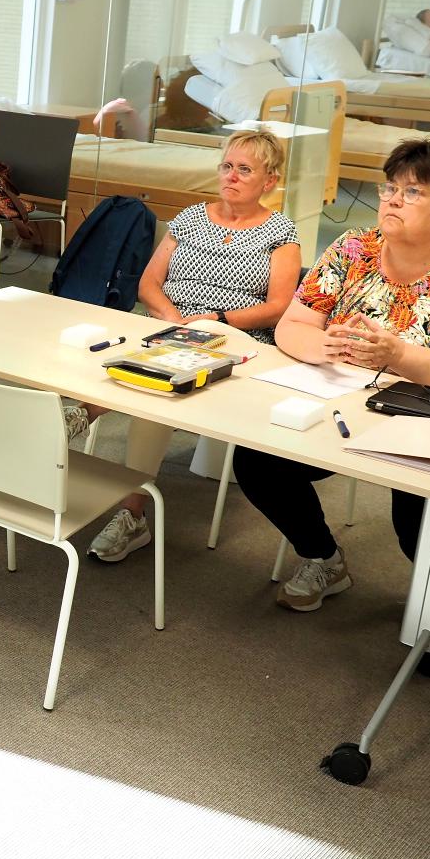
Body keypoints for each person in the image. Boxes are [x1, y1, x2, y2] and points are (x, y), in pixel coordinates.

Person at [233, 139, 430, 614]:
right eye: (390, 188)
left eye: (412, 193)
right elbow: (293, 325)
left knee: (423, 515)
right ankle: (323, 558)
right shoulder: (355, 247)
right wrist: (324, 344)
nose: (390, 200)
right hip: (346, 401)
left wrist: (400, 356)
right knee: (257, 459)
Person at [85, 130, 302, 563]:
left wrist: (214, 321)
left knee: (155, 391)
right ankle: (72, 424)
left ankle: (131, 513)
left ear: (269, 181)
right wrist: (171, 317)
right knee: (94, 361)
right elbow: (149, 282)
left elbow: (279, 307)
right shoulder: (189, 218)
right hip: (169, 327)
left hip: (234, 337)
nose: (232, 176)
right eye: (227, 166)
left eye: (245, 169)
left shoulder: (280, 232)